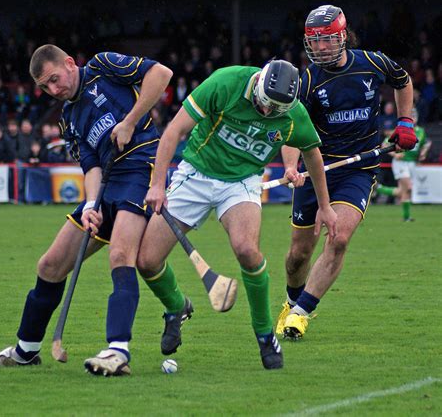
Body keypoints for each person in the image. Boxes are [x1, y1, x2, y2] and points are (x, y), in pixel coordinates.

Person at [0, 44, 173, 377]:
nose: (53, 90)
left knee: (121, 255)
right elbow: (92, 167)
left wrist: (129, 122)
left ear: (69, 63)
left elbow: (161, 74)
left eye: (54, 79)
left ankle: (117, 351)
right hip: (107, 185)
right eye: (44, 87)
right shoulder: (68, 117)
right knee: (50, 264)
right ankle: (25, 351)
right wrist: (92, 207)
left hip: (140, 169)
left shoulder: (103, 65)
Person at [133, 59, 337, 370]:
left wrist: (324, 206)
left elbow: (311, 152)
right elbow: (174, 131)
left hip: (242, 183)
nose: (268, 113)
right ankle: (177, 307)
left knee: (247, 250)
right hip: (196, 174)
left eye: (276, 110)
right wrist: (158, 185)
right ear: (257, 85)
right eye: (265, 105)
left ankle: (266, 335)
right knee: (147, 260)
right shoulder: (226, 82)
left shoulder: (292, 112)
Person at [275, 5, 417, 341]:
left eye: (326, 39)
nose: (321, 47)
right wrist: (291, 166)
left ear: (342, 35)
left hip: (358, 168)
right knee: (298, 255)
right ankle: (292, 300)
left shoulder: (372, 63)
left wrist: (405, 121)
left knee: (338, 238)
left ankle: (301, 313)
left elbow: (403, 81)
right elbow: (293, 128)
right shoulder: (307, 81)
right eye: (314, 41)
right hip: (316, 170)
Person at [376, 108, 432, 221]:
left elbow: (427, 143)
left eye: (415, 115)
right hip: (400, 163)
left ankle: (378, 189)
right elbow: (384, 144)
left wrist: (423, 153)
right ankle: (406, 217)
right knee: (409, 187)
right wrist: (394, 154)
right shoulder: (402, 130)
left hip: (412, 163)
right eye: (411, 115)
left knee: (402, 191)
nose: (413, 117)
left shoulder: (421, 131)